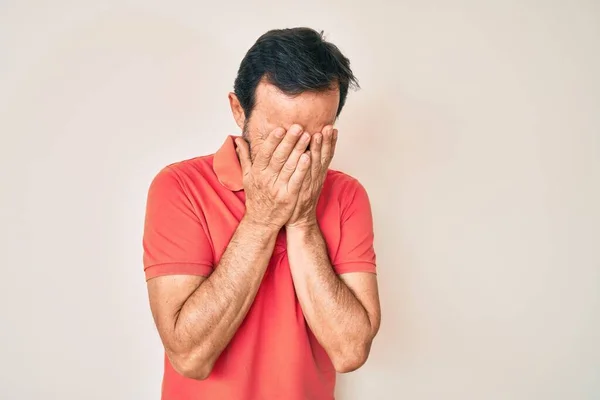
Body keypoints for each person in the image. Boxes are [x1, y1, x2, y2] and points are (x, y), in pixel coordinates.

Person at [142, 27, 381, 400]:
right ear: (239, 110)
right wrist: (263, 219)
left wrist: (302, 221)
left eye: (315, 137)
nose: (296, 153)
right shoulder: (180, 187)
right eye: (281, 135)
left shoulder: (347, 195)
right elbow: (190, 357)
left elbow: (349, 351)